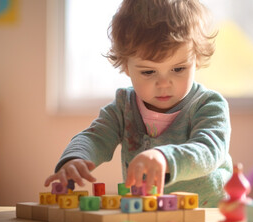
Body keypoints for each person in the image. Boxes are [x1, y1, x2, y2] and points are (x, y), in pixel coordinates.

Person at [44, 0, 232, 207]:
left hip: (208, 210)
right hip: (146, 209)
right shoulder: (123, 107)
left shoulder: (208, 105)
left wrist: (164, 157)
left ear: (196, 59)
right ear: (126, 66)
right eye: (148, 72)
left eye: (178, 69)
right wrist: (75, 159)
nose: (163, 84)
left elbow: (209, 151)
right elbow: (96, 137)